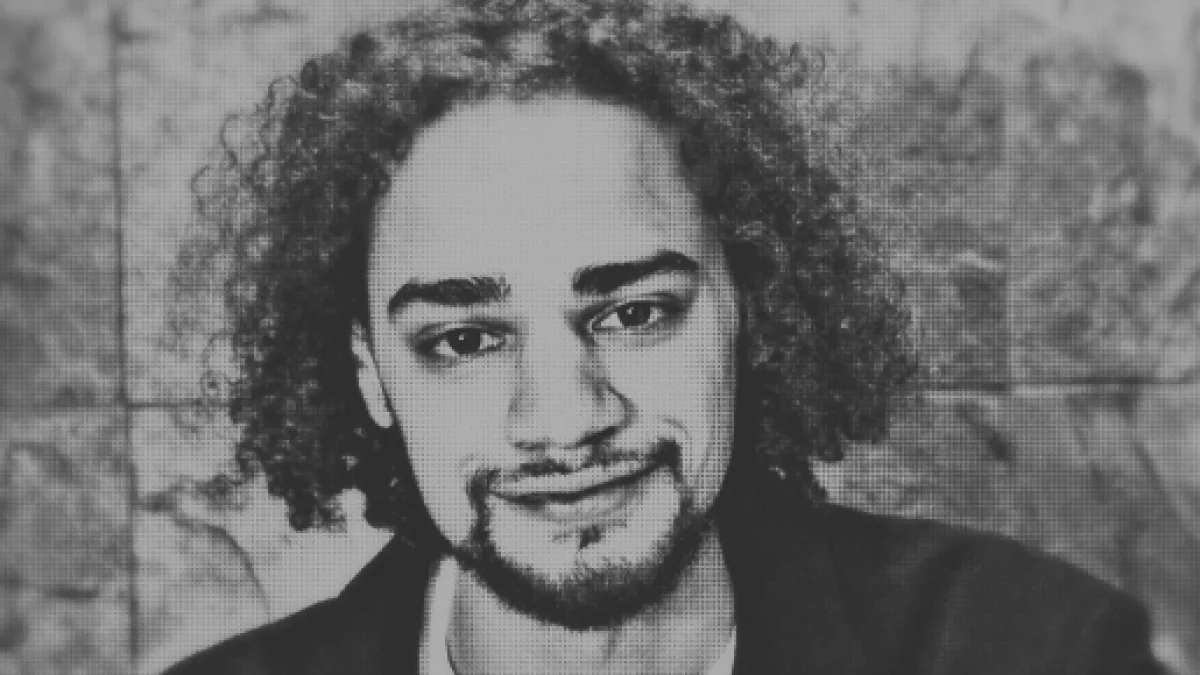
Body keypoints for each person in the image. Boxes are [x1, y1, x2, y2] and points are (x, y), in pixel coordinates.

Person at [167, 0, 1164, 673]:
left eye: (633, 313)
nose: (564, 419)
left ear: (750, 309)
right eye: (465, 340)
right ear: (371, 376)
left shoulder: (1039, 652)